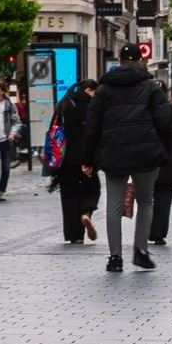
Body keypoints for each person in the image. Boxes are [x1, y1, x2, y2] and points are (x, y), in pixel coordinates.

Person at [88, 43, 172, 272]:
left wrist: (87, 158)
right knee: (146, 201)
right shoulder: (150, 86)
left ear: (119, 61)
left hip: (114, 152)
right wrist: (166, 150)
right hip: (146, 152)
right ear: (140, 60)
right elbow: (164, 120)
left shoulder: (103, 88)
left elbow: (91, 125)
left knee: (114, 205)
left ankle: (115, 257)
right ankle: (140, 250)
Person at [54, 79, 102, 244]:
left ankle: (75, 236)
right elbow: (95, 134)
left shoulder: (64, 104)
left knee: (69, 195)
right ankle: (86, 213)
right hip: (85, 157)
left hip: (65, 158)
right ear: (89, 90)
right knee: (92, 189)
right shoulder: (92, 106)